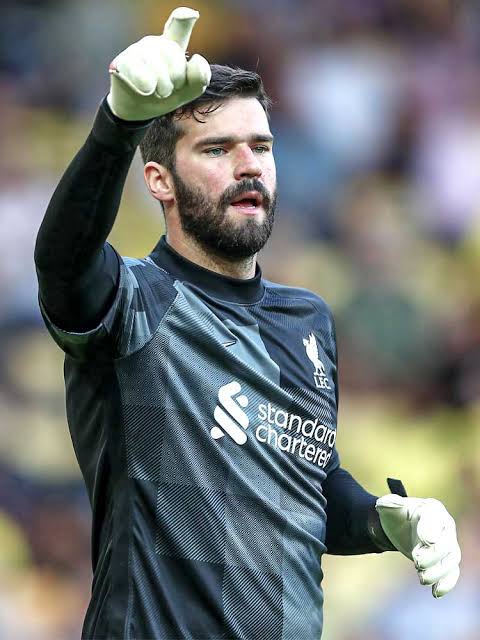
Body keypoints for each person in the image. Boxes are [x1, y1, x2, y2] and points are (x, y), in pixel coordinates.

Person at [34, 7, 461, 640]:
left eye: (261, 146)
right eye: (217, 149)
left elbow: (306, 486)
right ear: (160, 180)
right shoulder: (133, 303)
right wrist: (117, 123)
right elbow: (62, 265)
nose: (249, 165)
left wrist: (382, 519)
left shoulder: (306, 320)